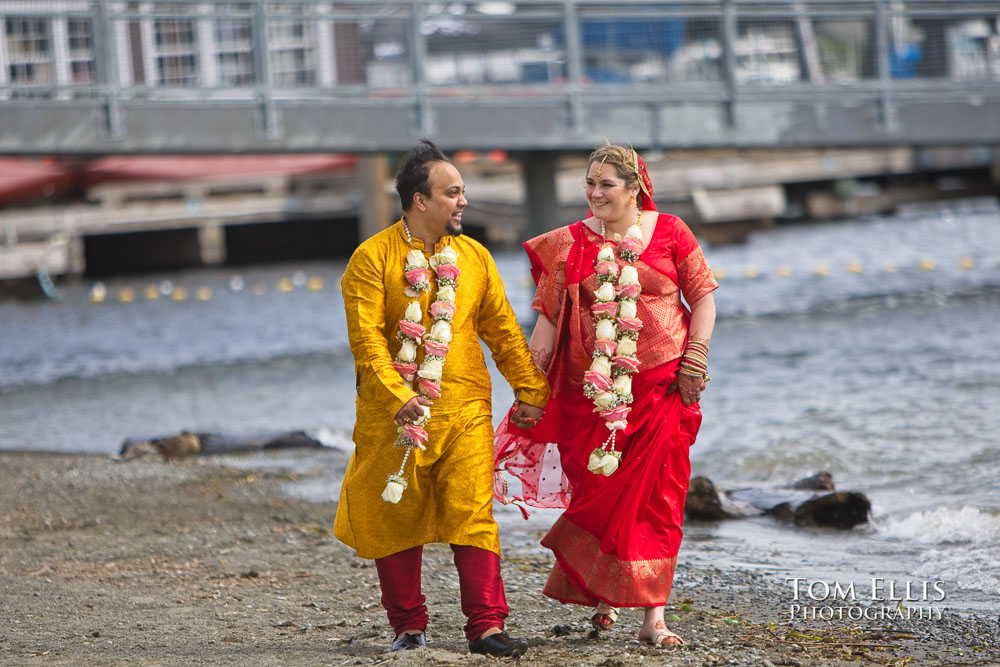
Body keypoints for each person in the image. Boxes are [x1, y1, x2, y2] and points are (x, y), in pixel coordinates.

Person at [494, 143, 717, 646]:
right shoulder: (567, 244)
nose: (595, 194)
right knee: (597, 498)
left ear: (634, 186)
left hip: (662, 389)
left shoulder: (671, 232)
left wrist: (696, 357)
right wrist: (530, 386)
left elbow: (702, 298)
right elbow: (547, 325)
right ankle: (605, 593)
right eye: (589, 184)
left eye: (606, 185)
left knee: (659, 499)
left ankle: (653, 619)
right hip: (589, 399)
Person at [334, 140, 548, 658]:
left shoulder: (473, 258)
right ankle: (409, 629)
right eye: (453, 193)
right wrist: (396, 396)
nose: (463, 202)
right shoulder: (371, 258)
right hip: (393, 416)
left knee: (473, 513)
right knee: (394, 517)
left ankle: (487, 629)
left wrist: (531, 390)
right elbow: (366, 341)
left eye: (463, 192)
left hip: (468, 409)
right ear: (420, 201)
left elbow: (503, 332)